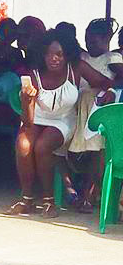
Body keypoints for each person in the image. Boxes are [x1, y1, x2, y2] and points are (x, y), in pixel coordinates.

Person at [9, 30, 110, 218]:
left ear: (68, 54)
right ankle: (26, 198)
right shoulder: (34, 74)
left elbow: (104, 82)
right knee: (23, 144)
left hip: (64, 120)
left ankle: (49, 201)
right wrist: (26, 100)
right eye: (48, 54)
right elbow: (28, 121)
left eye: (59, 54)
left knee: (42, 146)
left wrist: (109, 91)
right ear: (42, 54)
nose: (53, 58)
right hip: (36, 118)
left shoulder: (76, 68)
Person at [68, 18, 123, 208]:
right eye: (87, 40)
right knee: (76, 152)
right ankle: (85, 190)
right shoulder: (82, 58)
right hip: (79, 109)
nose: (89, 44)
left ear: (106, 39)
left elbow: (120, 79)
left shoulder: (112, 59)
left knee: (96, 148)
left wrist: (109, 89)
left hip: (99, 109)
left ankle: (90, 193)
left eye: (94, 41)